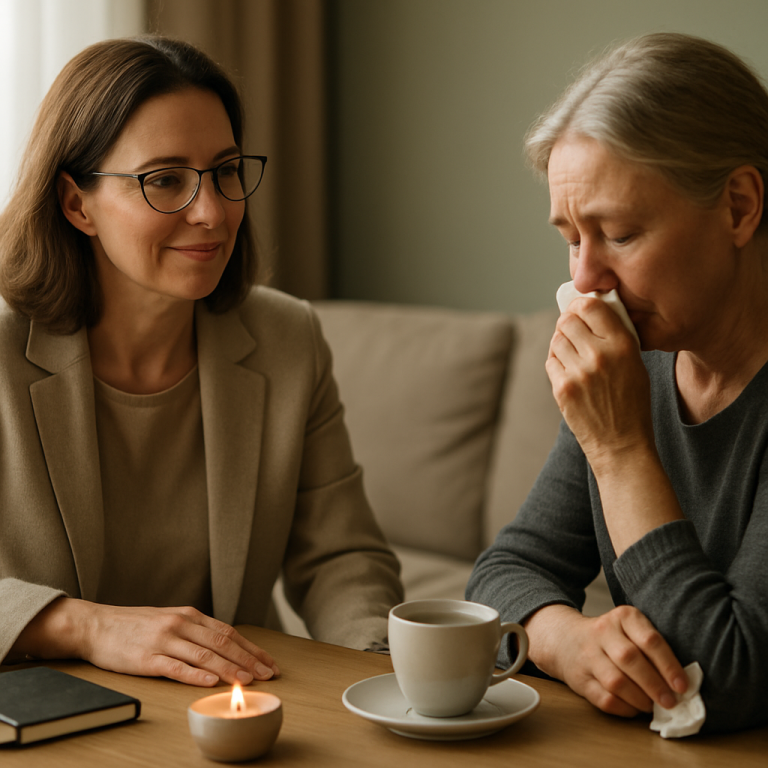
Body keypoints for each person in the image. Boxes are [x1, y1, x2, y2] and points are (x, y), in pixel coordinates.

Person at [0, 36, 403, 688]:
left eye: (225, 171)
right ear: (77, 205)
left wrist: (386, 673)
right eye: (164, 180)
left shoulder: (287, 339)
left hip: (229, 717)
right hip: (54, 723)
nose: (212, 212)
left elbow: (341, 558)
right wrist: (88, 625)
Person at [466, 32, 768, 733]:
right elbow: (503, 570)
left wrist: (620, 449)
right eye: (572, 237)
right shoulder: (643, 365)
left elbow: (723, 683)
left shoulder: (621, 401)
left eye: (619, 234)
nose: (583, 280)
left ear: (739, 207)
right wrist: (565, 642)